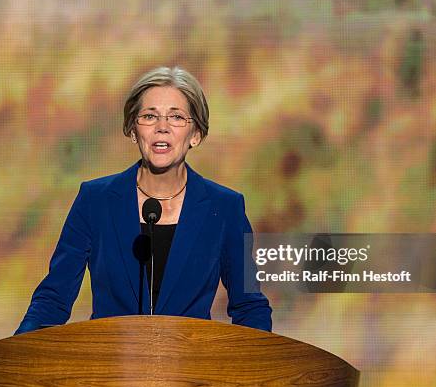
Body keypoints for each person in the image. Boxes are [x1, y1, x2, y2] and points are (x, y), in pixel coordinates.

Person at [15, 66, 272, 335]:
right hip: (108, 367)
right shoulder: (95, 200)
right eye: (150, 116)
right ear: (133, 131)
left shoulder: (225, 208)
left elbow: (249, 306)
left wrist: (260, 365)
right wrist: (15, 359)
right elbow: (53, 299)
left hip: (193, 368)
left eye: (176, 118)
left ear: (195, 134)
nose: (162, 128)